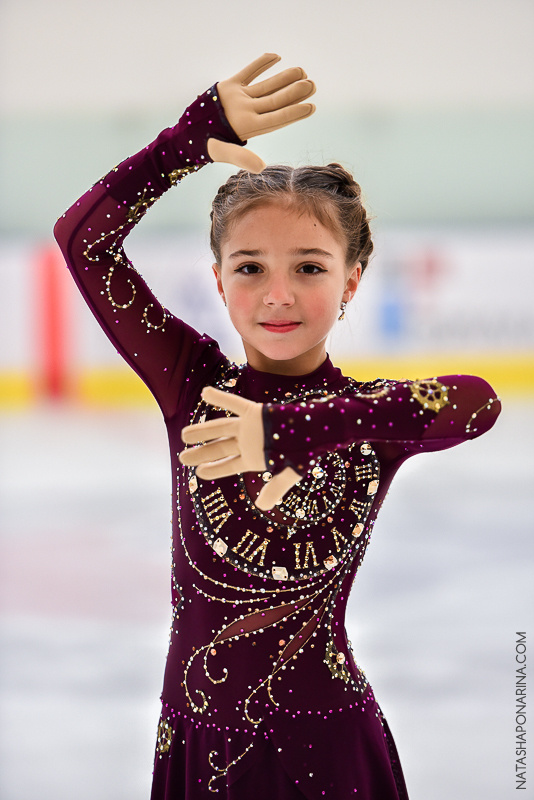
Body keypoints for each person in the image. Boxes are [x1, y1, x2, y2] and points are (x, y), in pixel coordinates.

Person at [54, 54, 500, 800]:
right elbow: (81, 241)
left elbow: (478, 401)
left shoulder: (374, 415)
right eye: (251, 267)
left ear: (352, 280)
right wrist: (182, 145)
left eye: (312, 268)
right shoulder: (191, 383)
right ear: (219, 276)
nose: (279, 294)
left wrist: (290, 428)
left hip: (329, 748)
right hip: (200, 744)